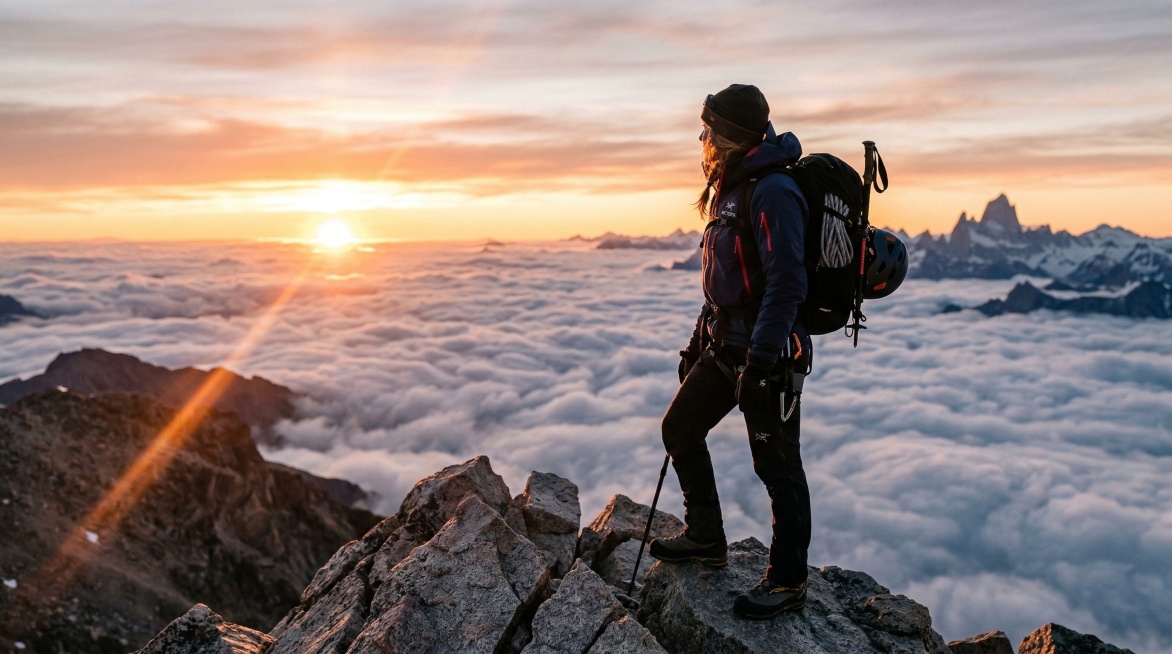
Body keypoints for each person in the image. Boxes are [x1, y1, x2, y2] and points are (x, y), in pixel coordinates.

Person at [648, 84, 812, 619]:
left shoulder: (772, 191)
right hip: (725, 347)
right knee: (680, 429)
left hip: (768, 355)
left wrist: (763, 361)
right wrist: (698, 344)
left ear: (732, 135)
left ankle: (788, 582)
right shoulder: (732, 188)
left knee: (777, 465)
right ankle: (706, 535)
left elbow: (788, 281)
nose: (703, 139)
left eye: (709, 130)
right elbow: (723, 281)